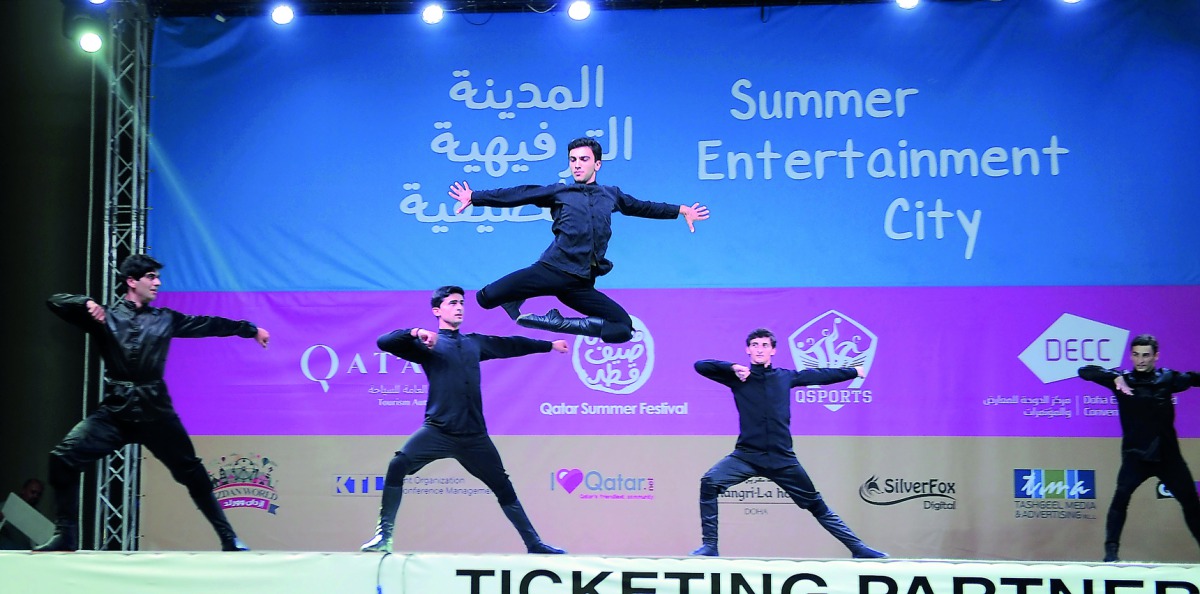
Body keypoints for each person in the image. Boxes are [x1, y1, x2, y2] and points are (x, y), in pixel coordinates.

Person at [33, 254, 270, 552]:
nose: (157, 282)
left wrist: (249, 330)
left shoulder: (165, 319)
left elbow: (207, 324)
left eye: (157, 277)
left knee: (192, 473)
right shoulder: (104, 317)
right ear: (132, 281)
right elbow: (54, 302)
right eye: (151, 277)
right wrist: (83, 302)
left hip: (155, 413)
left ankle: (228, 538)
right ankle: (66, 535)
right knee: (62, 458)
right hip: (115, 413)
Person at [360, 285, 569, 554]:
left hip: (474, 437)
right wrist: (415, 332)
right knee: (398, 464)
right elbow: (384, 342)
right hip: (438, 431)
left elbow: (510, 345)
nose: (459, 307)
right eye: (452, 303)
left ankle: (534, 544)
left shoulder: (474, 342)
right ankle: (383, 538)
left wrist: (549, 345)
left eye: (461, 303)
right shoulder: (427, 345)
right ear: (437, 310)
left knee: (503, 487)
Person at [447, 137, 709, 344]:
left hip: (580, 284)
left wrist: (681, 210)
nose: (577, 164)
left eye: (584, 159)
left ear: (597, 164)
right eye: (573, 160)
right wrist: (476, 197)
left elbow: (642, 207)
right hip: (551, 270)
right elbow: (521, 194)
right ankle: (511, 300)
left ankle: (555, 322)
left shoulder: (611, 195)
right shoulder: (561, 192)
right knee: (485, 298)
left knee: (622, 328)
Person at [690, 328, 887, 559]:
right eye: (755, 345)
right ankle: (710, 547)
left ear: (773, 350)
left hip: (782, 459)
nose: (759, 349)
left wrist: (853, 370)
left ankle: (858, 548)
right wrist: (731, 367)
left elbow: (820, 375)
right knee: (710, 482)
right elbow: (700, 365)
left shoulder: (785, 377)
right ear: (748, 350)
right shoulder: (739, 378)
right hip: (746, 456)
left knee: (816, 505)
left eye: (765, 345)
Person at [1078, 334, 1200, 562]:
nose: (1141, 360)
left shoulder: (1168, 379)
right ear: (1131, 356)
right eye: (1136, 355)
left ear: (1156, 356)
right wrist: (1114, 377)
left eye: (1146, 355)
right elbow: (1084, 371)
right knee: (1120, 500)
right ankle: (1111, 556)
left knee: (1192, 504)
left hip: (1168, 457)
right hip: (1136, 457)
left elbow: (1194, 379)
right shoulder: (1122, 380)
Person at [0, 478, 45, 550]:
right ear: (23, 490)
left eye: (39, 494)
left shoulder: (38, 517)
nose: (35, 496)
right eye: (33, 492)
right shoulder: (6, 507)